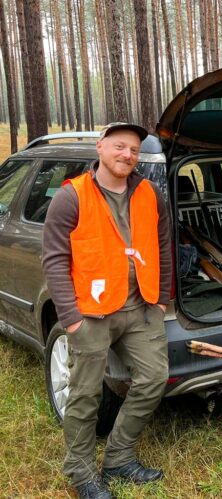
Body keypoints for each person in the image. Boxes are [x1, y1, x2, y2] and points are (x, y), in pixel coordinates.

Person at [42, 123, 172, 499]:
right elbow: (54, 260)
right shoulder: (71, 197)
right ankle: (82, 474)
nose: (127, 155)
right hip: (91, 312)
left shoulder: (150, 194)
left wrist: (161, 298)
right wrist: (72, 319)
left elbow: (162, 248)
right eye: (119, 146)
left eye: (133, 149)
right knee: (85, 397)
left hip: (141, 306)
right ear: (100, 147)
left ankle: (118, 457)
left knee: (153, 379)